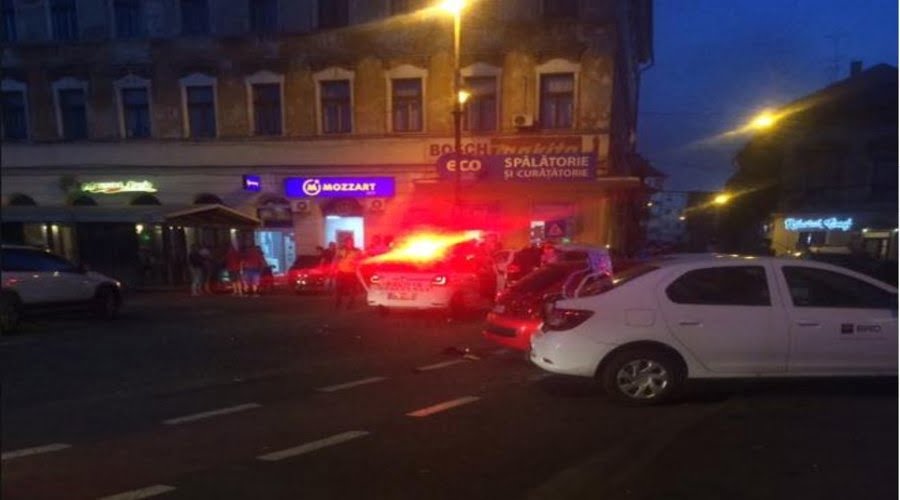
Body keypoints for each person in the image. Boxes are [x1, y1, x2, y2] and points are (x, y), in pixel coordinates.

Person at [332, 236, 362, 309]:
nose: (350, 243)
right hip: (341, 272)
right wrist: (333, 268)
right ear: (345, 243)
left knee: (352, 289)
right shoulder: (341, 250)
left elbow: (361, 259)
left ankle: (350, 303)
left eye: (351, 242)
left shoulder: (357, 251)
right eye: (348, 242)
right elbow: (335, 259)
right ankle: (338, 302)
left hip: (351, 272)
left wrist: (357, 263)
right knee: (339, 288)